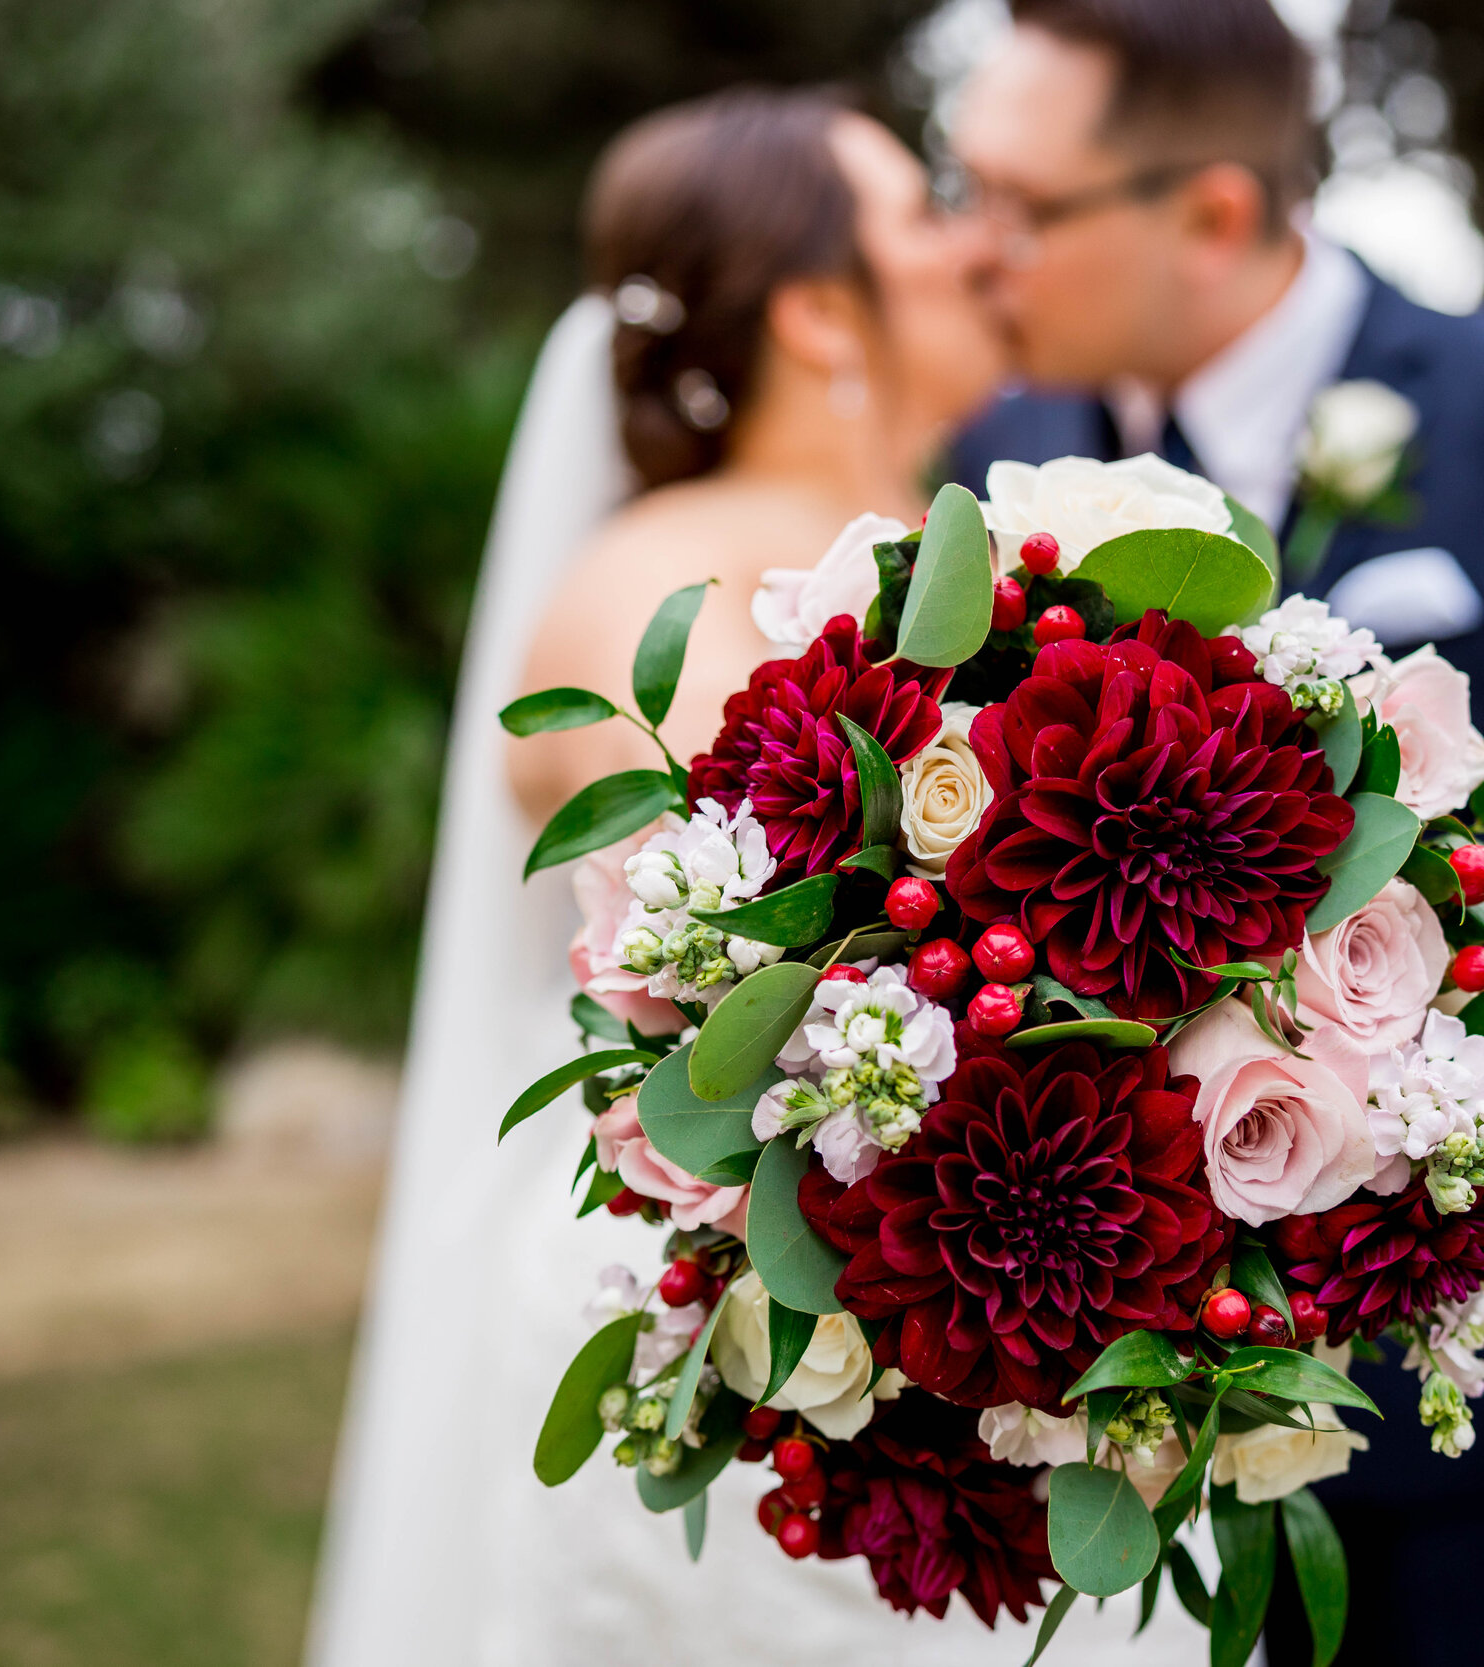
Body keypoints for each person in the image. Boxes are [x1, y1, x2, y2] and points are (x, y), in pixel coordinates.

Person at [307, 88, 1206, 1666]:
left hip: (983, 1288)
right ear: (814, 311)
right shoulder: (660, 575)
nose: (973, 249)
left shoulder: (971, 552)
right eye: (919, 217)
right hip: (750, 1324)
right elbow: (779, 941)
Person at [945, 4, 1484, 1663]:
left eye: (1022, 208)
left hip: (1457, 1379)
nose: (976, 257)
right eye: (964, 192)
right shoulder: (993, 461)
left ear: (1214, 212)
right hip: (1096, 1405)